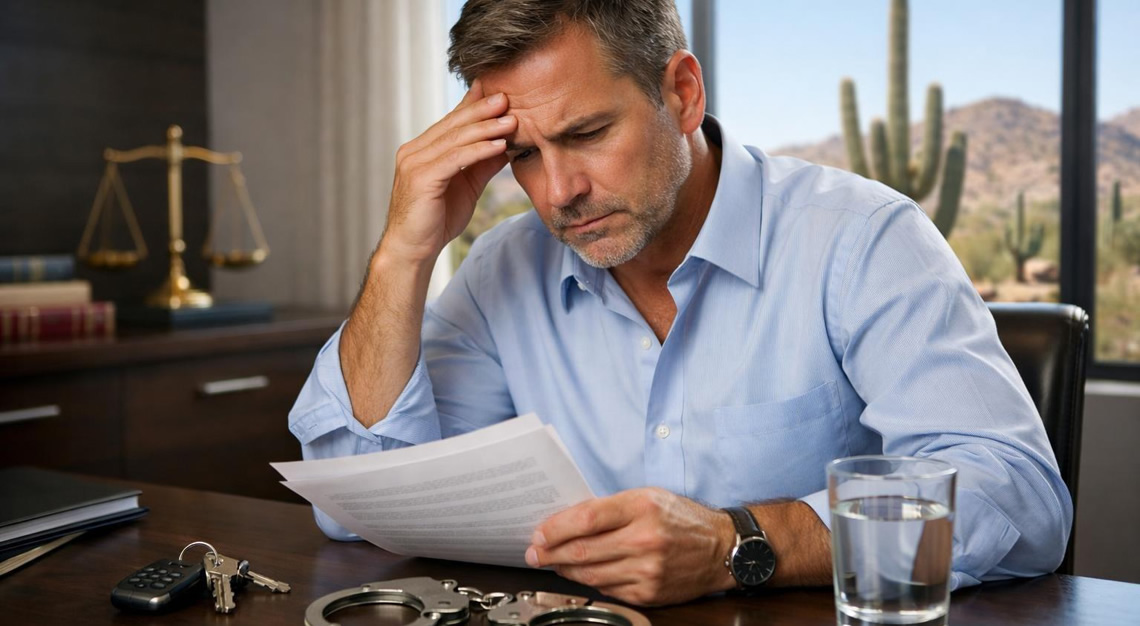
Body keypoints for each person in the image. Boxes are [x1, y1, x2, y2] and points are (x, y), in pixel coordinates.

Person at [289, 0, 1071, 607]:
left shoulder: (860, 240)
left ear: (683, 92)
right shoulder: (503, 269)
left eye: (589, 132)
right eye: (523, 155)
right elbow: (360, 500)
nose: (559, 193)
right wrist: (403, 253)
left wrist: (739, 543)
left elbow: (1017, 496)